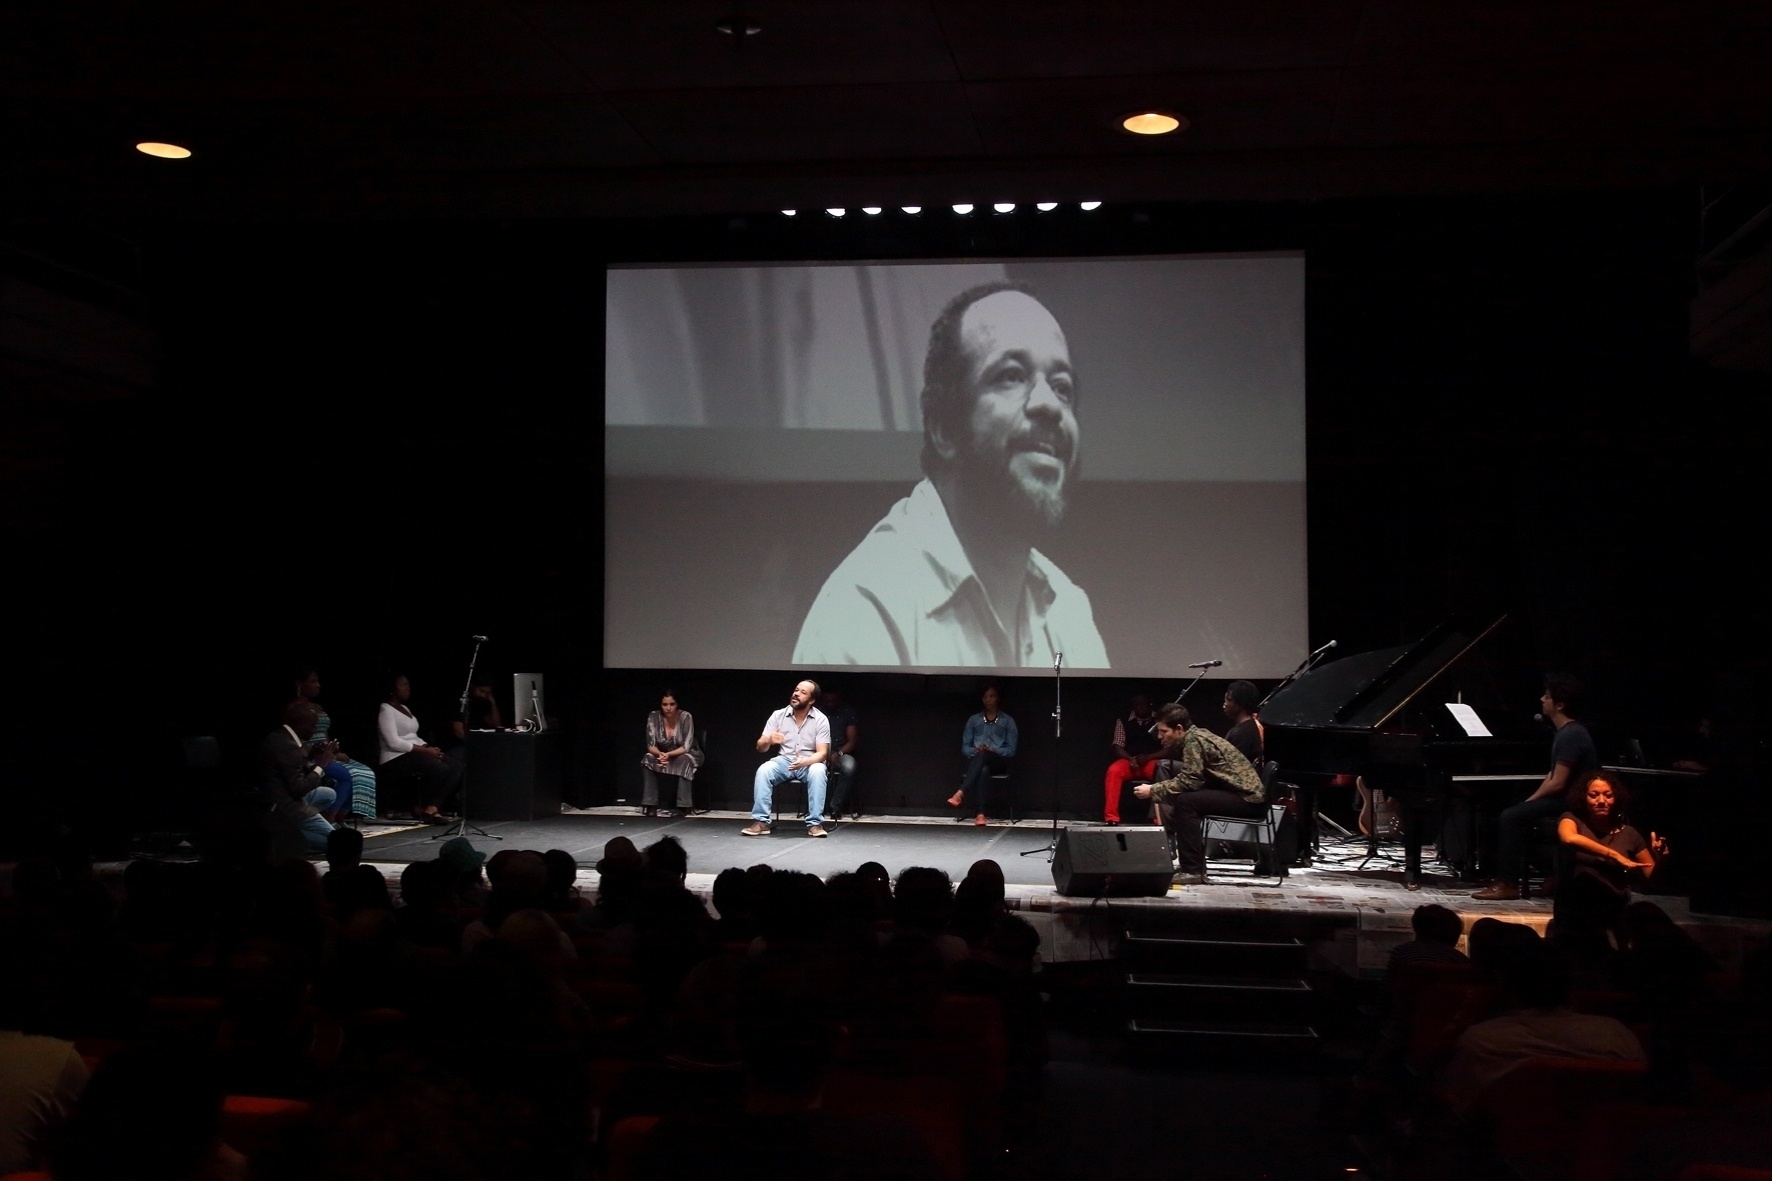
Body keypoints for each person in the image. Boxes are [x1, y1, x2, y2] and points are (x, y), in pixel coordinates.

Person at [793, 281, 1109, 668]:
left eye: (1062, 387)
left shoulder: (1069, 610)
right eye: (1010, 376)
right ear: (943, 426)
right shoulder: (863, 610)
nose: (1049, 405)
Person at [1473, 674, 1600, 901]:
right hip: (1565, 798)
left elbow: (1559, 782)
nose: (1542, 699)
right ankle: (1547, 876)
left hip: (1574, 803)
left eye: (1547, 696)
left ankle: (1508, 883)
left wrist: (1531, 802)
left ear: (1559, 705)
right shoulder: (1565, 732)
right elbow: (1551, 775)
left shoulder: (1571, 734)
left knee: (1511, 817)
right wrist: (1532, 800)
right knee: (1517, 811)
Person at [1133, 703, 1264, 885]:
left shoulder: (1193, 742)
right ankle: (1187, 859)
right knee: (1184, 795)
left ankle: (1192, 869)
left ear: (1179, 729)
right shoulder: (1196, 736)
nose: (1159, 736)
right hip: (1239, 793)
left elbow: (1191, 781)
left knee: (1187, 802)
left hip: (1248, 799)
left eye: (1163, 731)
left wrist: (1153, 789)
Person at [742, 679, 831, 838]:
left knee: (818, 770)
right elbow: (760, 747)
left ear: (811, 700)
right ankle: (761, 822)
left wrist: (805, 761)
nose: (796, 694)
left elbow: (823, 753)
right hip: (784, 761)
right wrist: (769, 740)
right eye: (796, 690)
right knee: (764, 770)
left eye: (803, 692)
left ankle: (815, 824)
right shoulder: (778, 715)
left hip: (809, 762)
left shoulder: (820, 719)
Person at [377, 673, 464, 824]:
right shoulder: (385, 709)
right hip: (395, 757)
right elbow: (393, 742)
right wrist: (425, 751)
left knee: (456, 766)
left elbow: (413, 735)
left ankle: (431, 808)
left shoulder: (404, 708)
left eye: (408, 684)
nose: (407, 688)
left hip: (415, 752)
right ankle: (420, 807)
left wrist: (428, 747)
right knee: (440, 768)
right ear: (392, 688)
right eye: (403, 685)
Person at [290, 668, 377, 819]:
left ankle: (340, 817)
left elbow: (324, 734)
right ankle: (330, 818)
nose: (318, 685)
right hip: (310, 756)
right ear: (300, 684)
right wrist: (318, 753)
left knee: (365, 772)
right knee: (347, 775)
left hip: (327, 753)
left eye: (318, 681)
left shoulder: (318, 707)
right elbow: (292, 740)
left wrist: (334, 752)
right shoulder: (293, 709)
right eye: (313, 682)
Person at [258, 700, 337, 854]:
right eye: (312, 727)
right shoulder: (286, 745)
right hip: (286, 806)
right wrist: (321, 765)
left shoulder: (282, 736)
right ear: (302, 724)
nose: (314, 731)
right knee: (336, 844)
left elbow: (291, 770)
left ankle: (295, 827)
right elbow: (298, 788)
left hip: (283, 796)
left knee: (328, 794)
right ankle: (285, 836)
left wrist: (312, 756)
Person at [948, 684, 1017, 826]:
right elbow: (965, 747)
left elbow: (1011, 750)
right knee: (983, 769)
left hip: (998, 761)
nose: (988, 700)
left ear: (997, 698)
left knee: (986, 755)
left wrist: (993, 750)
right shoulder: (974, 720)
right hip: (977, 760)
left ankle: (961, 792)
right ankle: (980, 814)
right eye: (985, 697)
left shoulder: (1008, 721)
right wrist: (976, 751)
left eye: (991, 696)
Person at [640, 689, 700, 817]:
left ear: (677, 704)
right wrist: (660, 755)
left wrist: (668, 755)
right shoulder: (653, 717)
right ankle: (650, 804)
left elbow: (686, 746)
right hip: (663, 754)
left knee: (685, 760)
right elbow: (651, 745)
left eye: (672, 704)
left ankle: (684, 806)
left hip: (687, 753)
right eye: (665, 704)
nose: (668, 708)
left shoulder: (686, 717)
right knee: (647, 758)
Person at [1103, 693, 1161, 823]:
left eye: (1142, 704)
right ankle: (1111, 817)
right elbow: (1117, 745)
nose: (1139, 708)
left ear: (1149, 704)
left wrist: (1149, 757)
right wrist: (1130, 759)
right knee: (1113, 771)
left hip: (1151, 760)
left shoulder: (1159, 720)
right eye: (1136, 705)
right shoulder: (1123, 720)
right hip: (1130, 760)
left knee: (1162, 772)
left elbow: (1168, 748)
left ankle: (1158, 817)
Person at [822, 688, 860, 817]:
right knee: (812, 768)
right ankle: (817, 807)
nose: (829, 703)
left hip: (841, 752)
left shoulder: (847, 713)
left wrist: (838, 754)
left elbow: (852, 741)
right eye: (826, 700)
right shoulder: (818, 713)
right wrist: (823, 754)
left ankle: (835, 806)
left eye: (832, 700)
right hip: (820, 751)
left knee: (849, 767)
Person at [1222, 680, 1264, 766]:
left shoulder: (1241, 734)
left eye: (1228, 700)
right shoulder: (1253, 725)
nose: (1224, 705)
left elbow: (1230, 767)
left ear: (1240, 703)